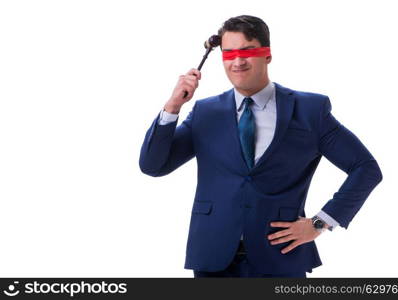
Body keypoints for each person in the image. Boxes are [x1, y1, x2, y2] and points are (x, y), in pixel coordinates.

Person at [139, 15, 382, 278]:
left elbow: (365, 168)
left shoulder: (309, 111)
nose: (238, 61)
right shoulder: (205, 113)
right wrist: (172, 107)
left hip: (281, 258)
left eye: (248, 51)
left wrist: (319, 223)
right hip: (212, 259)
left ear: (267, 55)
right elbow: (154, 166)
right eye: (229, 54)